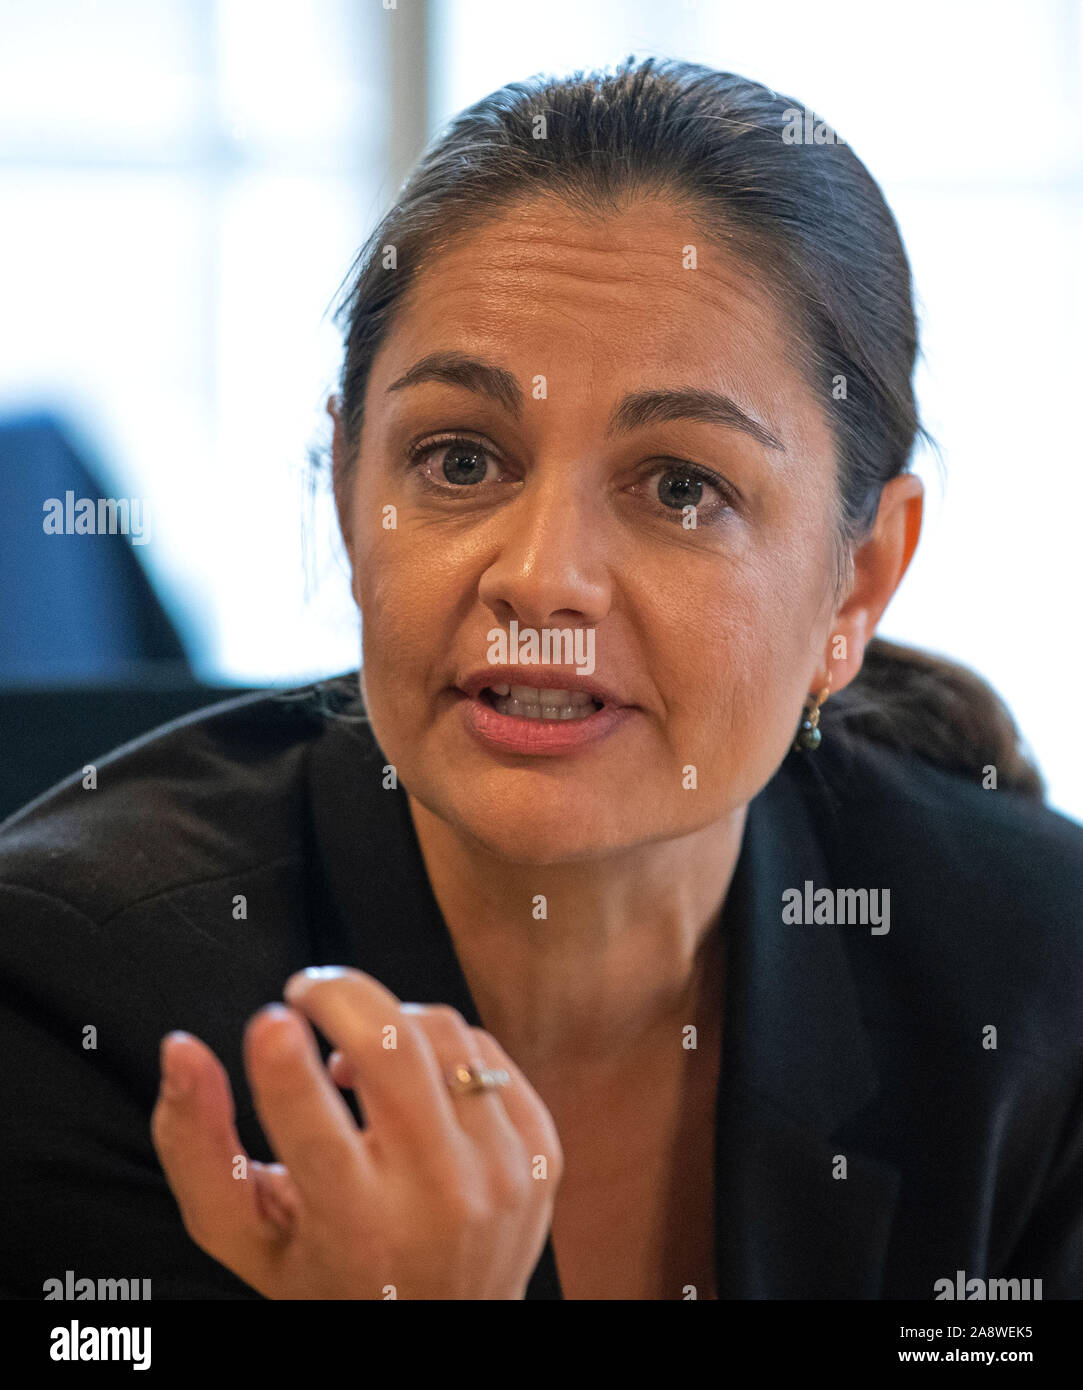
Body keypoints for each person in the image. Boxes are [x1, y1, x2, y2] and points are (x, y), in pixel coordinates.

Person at [2, 56, 1081, 1302]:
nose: (542, 576)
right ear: (352, 501)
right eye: (460, 460)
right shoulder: (69, 999)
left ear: (857, 583)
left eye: (682, 486)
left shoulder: (1038, 992)